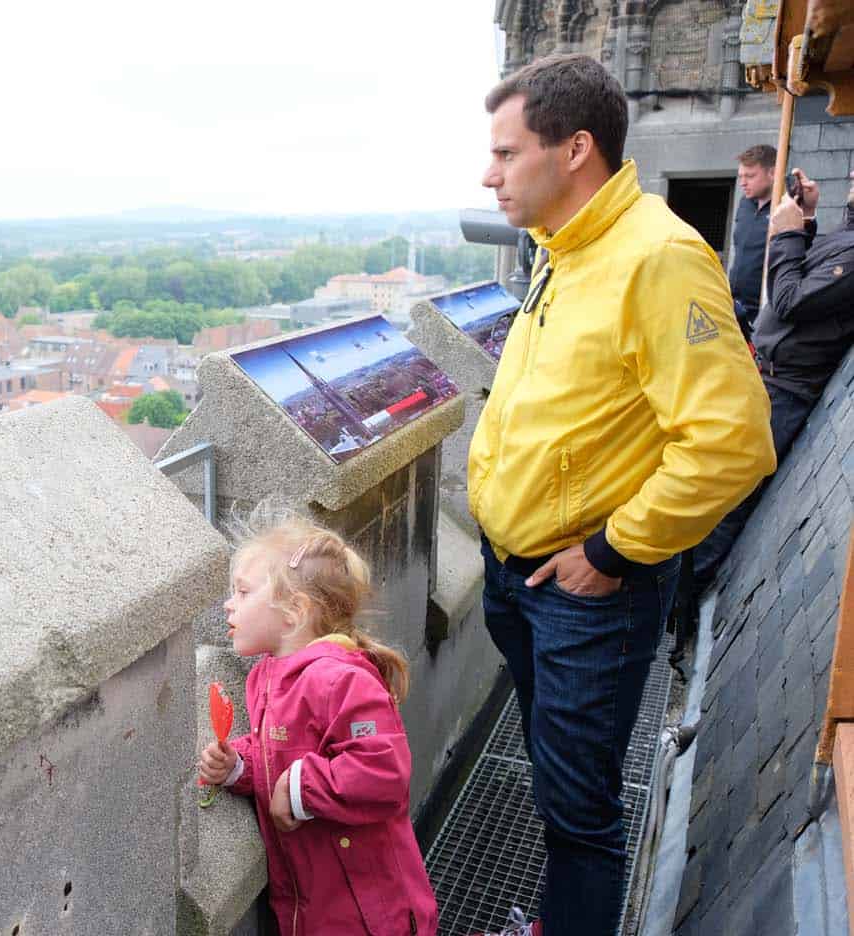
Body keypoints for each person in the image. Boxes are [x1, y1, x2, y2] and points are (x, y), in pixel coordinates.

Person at [469, 54, 776, 936]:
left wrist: (611, 553)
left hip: (586, 595)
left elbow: (732, 442)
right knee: (558, 782)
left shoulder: (657, 256)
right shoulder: (567, 248)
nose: (488, 174)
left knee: (581, 818)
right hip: (520, 584)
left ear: (574, 150)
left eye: (505, 152)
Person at [196, 519, 438, 936]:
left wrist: (298, 787)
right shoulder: (267, 675)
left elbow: (383, 770)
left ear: (294, 611)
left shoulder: (340, 679)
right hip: (315, 907)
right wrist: (239, 765)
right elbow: (280, 752)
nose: (228, 605)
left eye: (243, 591)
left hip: (370, 915)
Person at [692, 167, 854, 588]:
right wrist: (807, 220)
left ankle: (684, 599)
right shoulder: (849, 236)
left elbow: (788, 300)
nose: (851, 172)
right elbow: (813, 269)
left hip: (785, 392)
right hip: (769, 378)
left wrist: (785, 234)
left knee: (731, 495)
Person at [729, 144, 778, 332]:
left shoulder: (786, 206)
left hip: (765, 309)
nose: (743, 182)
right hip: (735, 303)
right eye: (741, 176)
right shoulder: (745, 204)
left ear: (772, 173)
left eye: (750, 176)